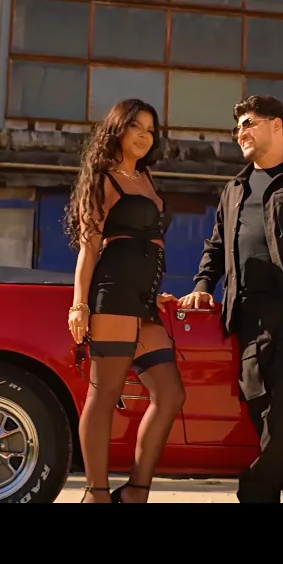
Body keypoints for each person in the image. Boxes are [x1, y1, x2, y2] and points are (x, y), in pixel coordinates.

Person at [177, 94, 283, 503]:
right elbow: (216, 246)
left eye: (249, 123)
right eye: (237, 127)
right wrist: (202, 286)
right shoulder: (234, 189)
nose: (241, 133)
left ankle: (255, 491)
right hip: (248, 318)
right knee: (271, 417)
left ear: (277, 126)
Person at [64, 98, 185, 504]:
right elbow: (89, 249)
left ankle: (136, 491)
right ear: (118, 128)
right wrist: (79, 305)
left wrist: (153, 289)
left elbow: (149, 242)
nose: (144, 136)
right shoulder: (104, 180)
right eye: (137, 127)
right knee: (103, 396)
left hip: (144, 301)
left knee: (170, 395)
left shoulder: (146, 177)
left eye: (150, 130)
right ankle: (96, 494)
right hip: (113, 295)